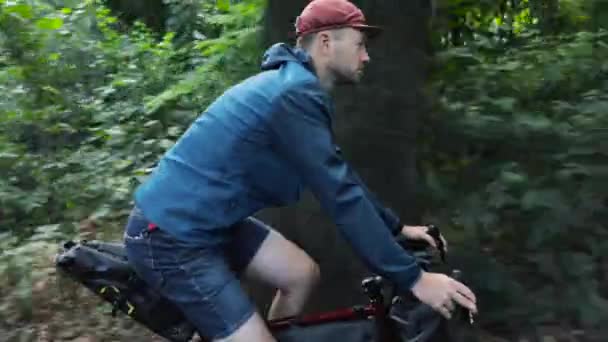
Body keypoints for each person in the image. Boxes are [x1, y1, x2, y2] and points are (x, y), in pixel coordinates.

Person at [122, 0, 478, 341]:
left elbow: (340, 177)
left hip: (209, 223)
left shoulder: (296, 89)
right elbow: (341, 198)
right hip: (171, 237)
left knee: (300, 275)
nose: (366, 56)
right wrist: (415, 279)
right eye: (359, 44)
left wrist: (397, 227)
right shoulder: (292, 94)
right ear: (325, 42)